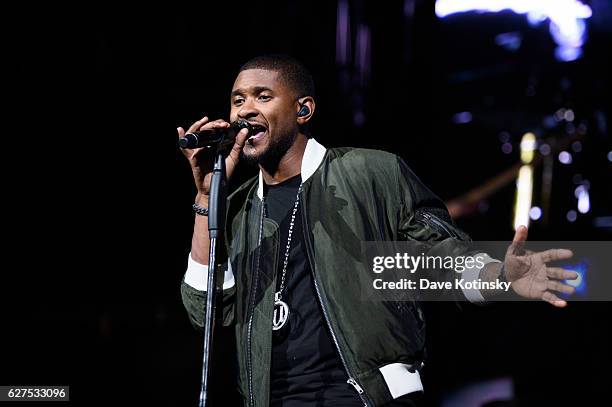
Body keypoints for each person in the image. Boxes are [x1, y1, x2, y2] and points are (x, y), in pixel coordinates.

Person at [178, 55, 577, 407]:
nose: (245, 110)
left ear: (303, 110)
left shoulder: (371, 172)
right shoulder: (239, 208)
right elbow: (207, 312)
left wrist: (500, 277)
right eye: (237, 100)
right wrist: (205, 198)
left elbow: (440, 255)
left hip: (366, 396)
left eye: (263, 96)